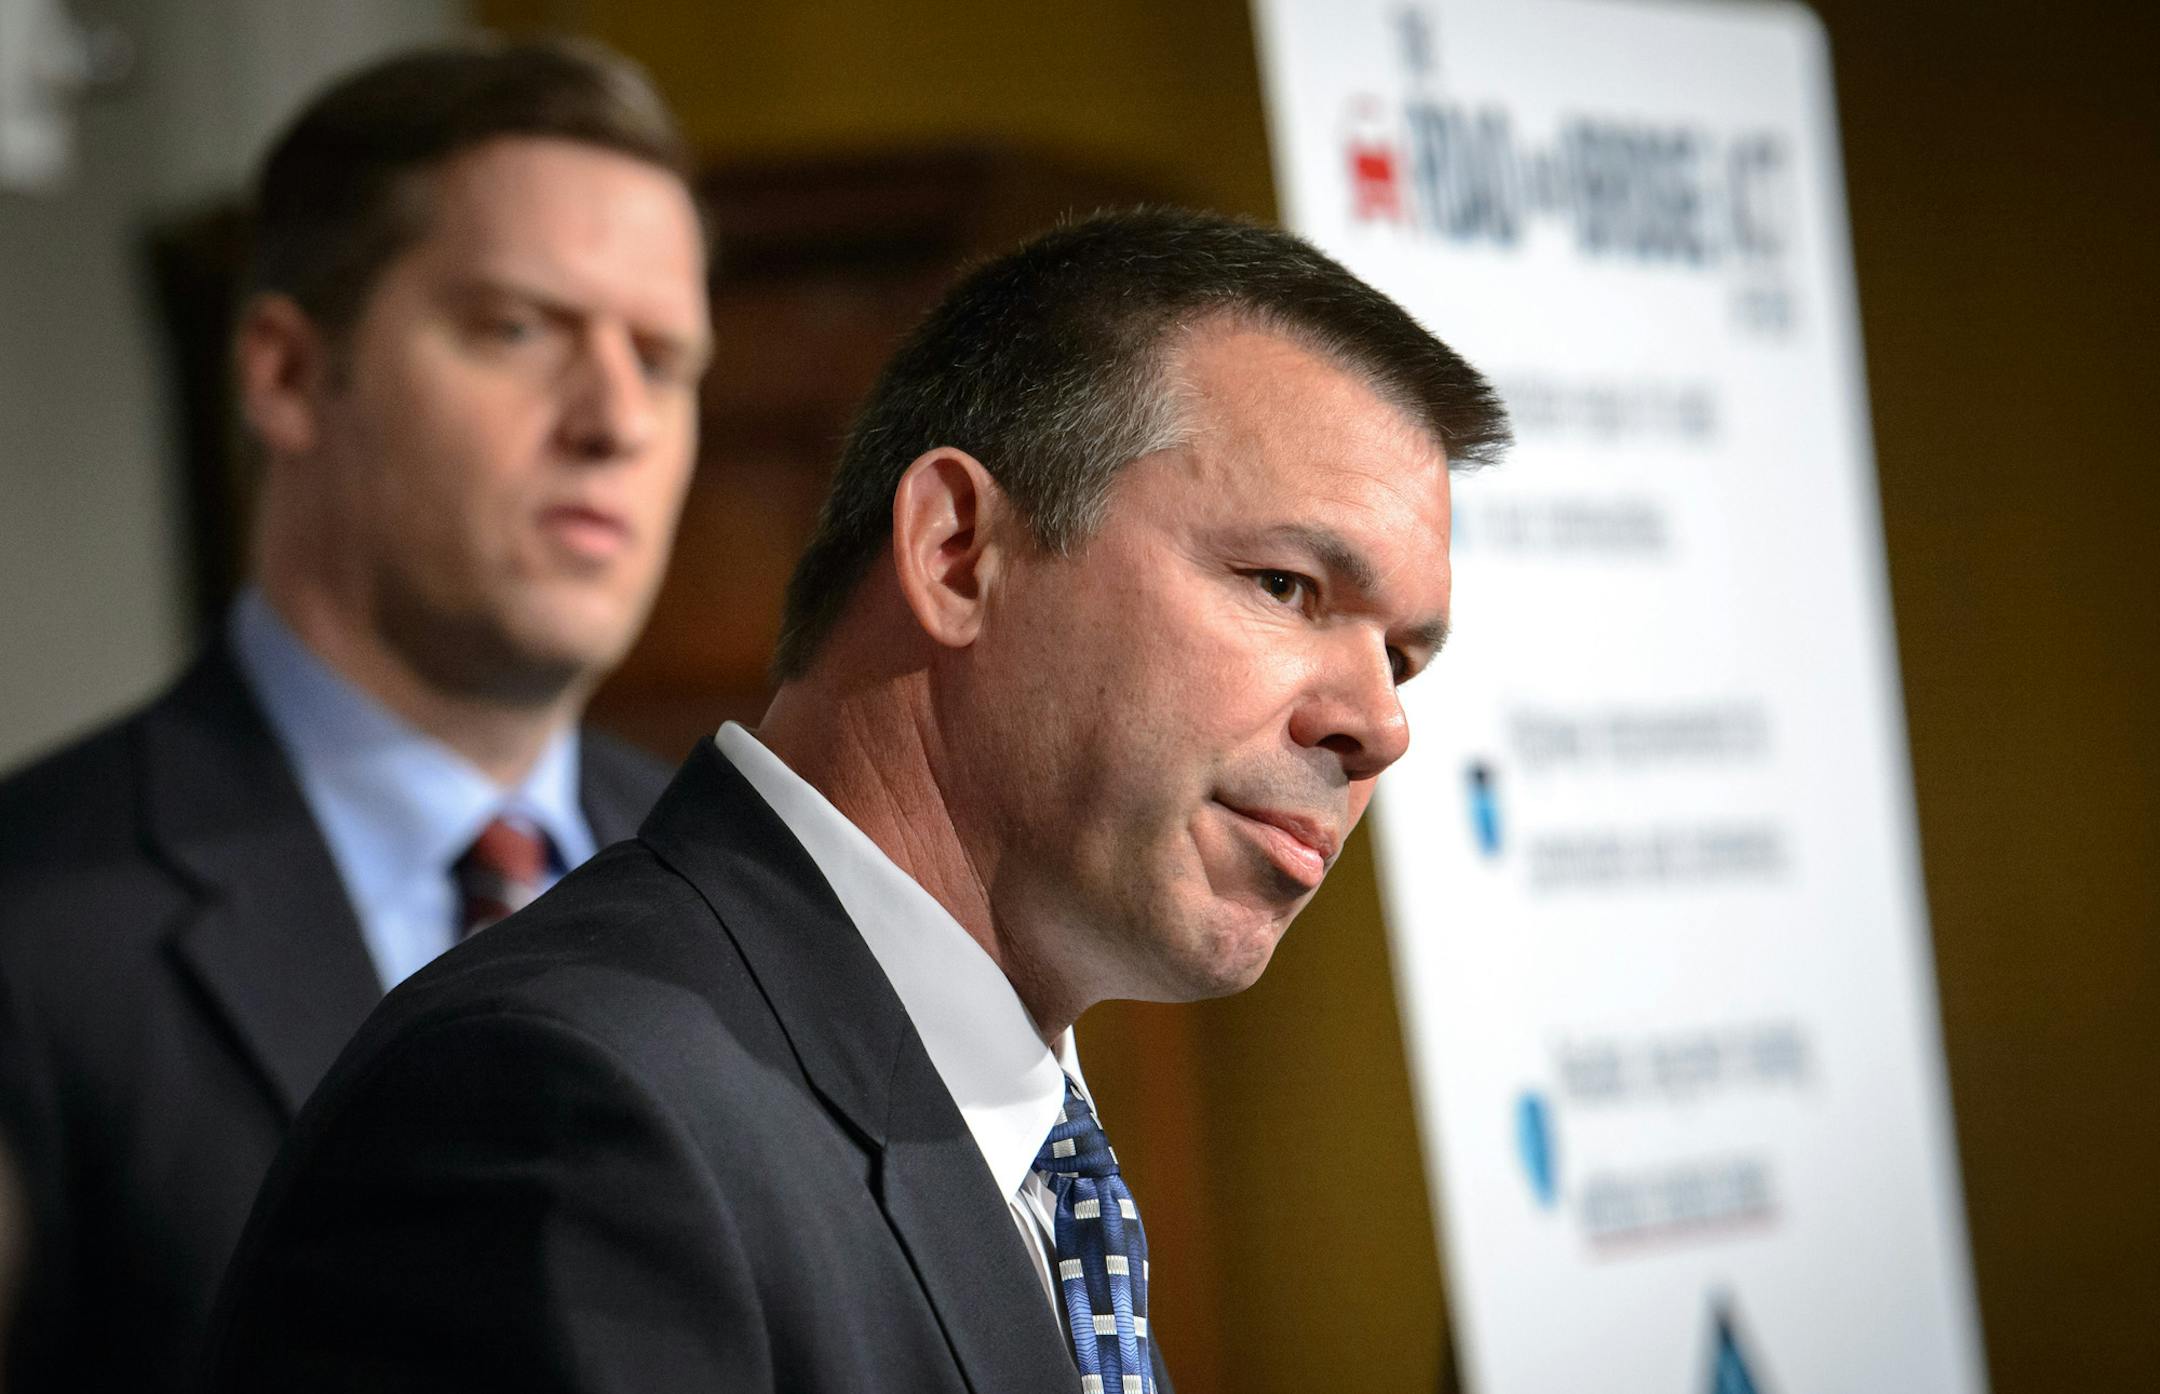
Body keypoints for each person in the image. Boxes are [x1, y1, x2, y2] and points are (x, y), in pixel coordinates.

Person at [204, 208, 1510, 1394]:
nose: (1380, 723)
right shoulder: (560, 1110)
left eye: (1402, 655)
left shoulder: (1031, 1143)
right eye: (1286, 584)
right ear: (958, 553)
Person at [0, 38, 712, 1394]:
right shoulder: (33, 922)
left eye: (665, 358)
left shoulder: (741, 893)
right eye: (517, 327)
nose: (615, 418)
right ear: (283, 373)